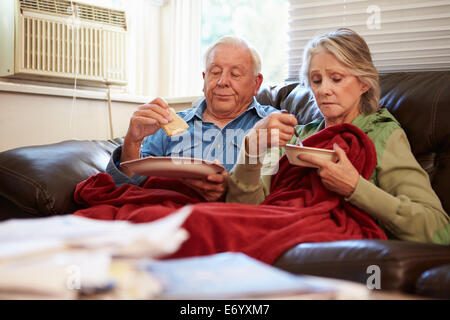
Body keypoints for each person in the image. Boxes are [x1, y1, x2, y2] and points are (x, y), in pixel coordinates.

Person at [227, 28, 449, 244]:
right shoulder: (294, 138)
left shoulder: (381, 134)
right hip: (276, 230)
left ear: (363, 83)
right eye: (316, 80)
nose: (324, 90)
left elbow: (438, 229)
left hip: (326, 243)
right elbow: (244, 211)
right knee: (204, 218)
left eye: (336, 78)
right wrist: (252, 147)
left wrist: (355, 187)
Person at [106, 36, 278, 201]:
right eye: (215, 72)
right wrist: (132, 142)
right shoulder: (166, 124)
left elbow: (283, 194)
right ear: (204, 79)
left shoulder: (273, 125)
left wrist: (231, 189)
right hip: (167, 215)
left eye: (235, 74)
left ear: (256, 83)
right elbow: (125, 189)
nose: (222, 81)